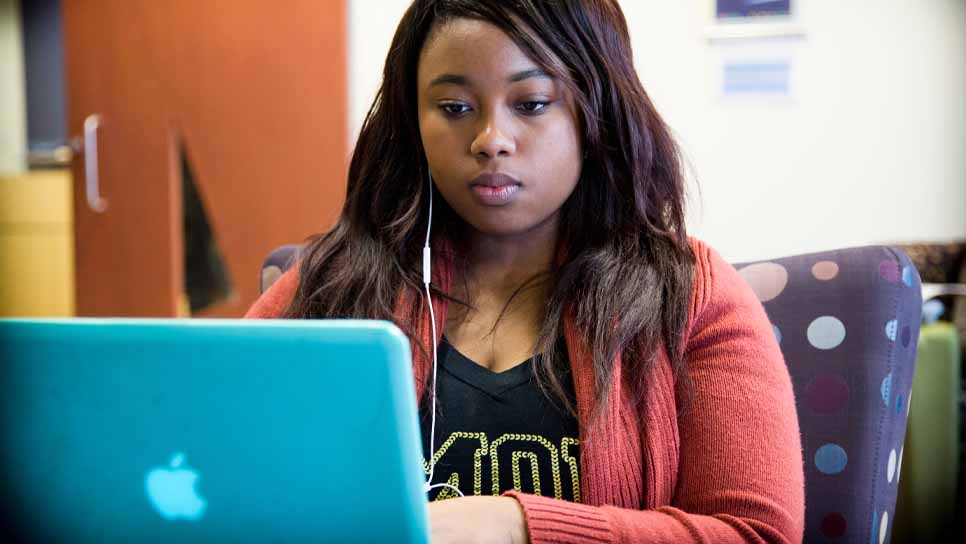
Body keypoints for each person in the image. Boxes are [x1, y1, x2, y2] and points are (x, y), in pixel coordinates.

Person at [245, 1, 804, 542]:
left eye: (532, 103)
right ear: (411, 122)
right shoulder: (335, 282)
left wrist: (516, 528)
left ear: (597, 112)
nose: (492, 140)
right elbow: (211, 463)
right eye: (455, 107)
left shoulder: (692, 294)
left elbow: (756, 534)